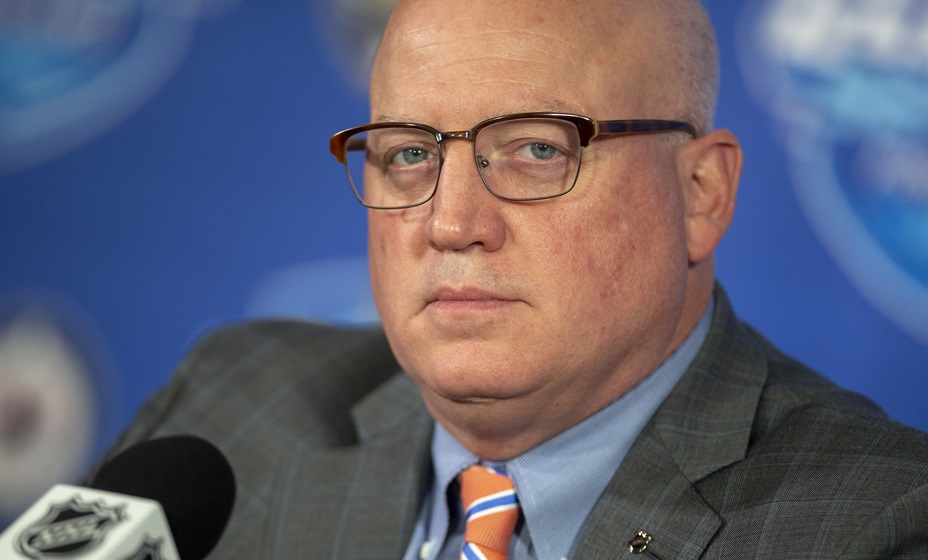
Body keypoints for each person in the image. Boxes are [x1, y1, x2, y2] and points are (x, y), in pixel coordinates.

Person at [99, 0, 928, 558]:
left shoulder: (874, 524)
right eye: (410, 153)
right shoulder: (230, 408)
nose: (451, 222)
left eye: (537, 149)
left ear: (700, 194)